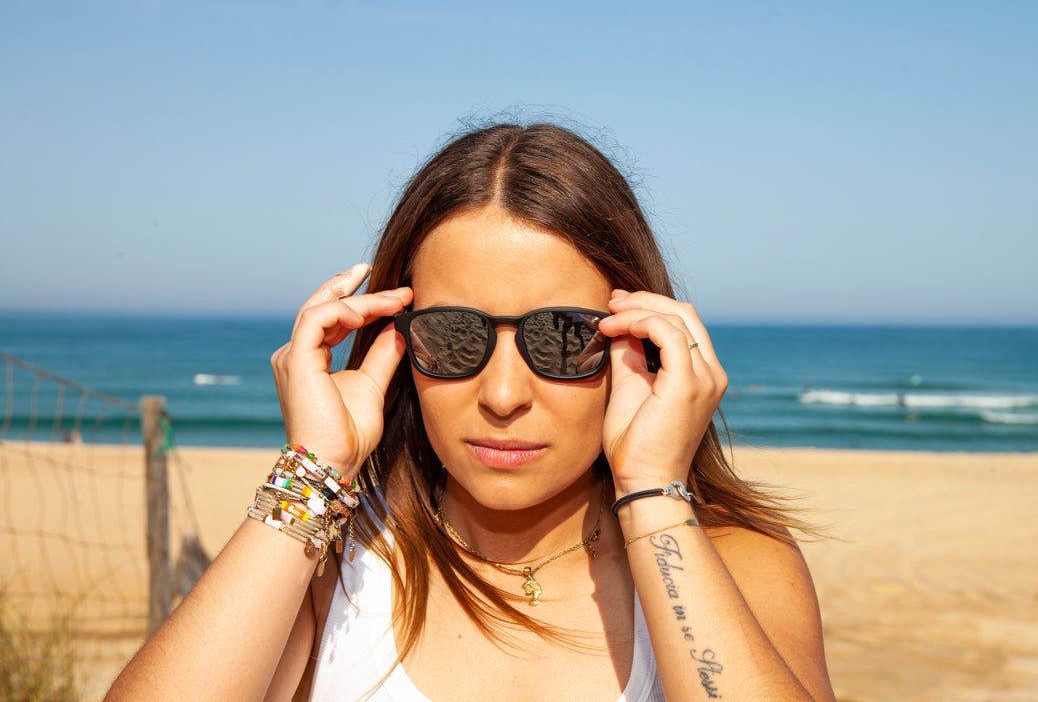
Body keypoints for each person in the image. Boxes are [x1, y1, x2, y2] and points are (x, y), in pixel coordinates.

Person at [106, 123, 835, 701]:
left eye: (562, 337)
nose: (503, 395)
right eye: (454, 336)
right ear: (396, 342)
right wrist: (314, 471)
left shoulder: (736, 565)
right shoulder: (325, 565)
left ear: (641, 342)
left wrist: (651, 491)